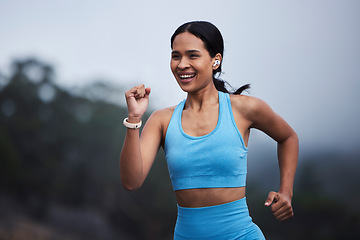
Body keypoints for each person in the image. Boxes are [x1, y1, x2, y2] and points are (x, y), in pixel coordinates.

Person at [120, 21, 298, 239]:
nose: (182, 64)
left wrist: (286, 191)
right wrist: (134, 118)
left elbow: (288, 137)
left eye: (193, 55)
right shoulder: (162, 120)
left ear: (216, 60)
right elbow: (131, 181)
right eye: (176, 56)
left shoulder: (243, 108)